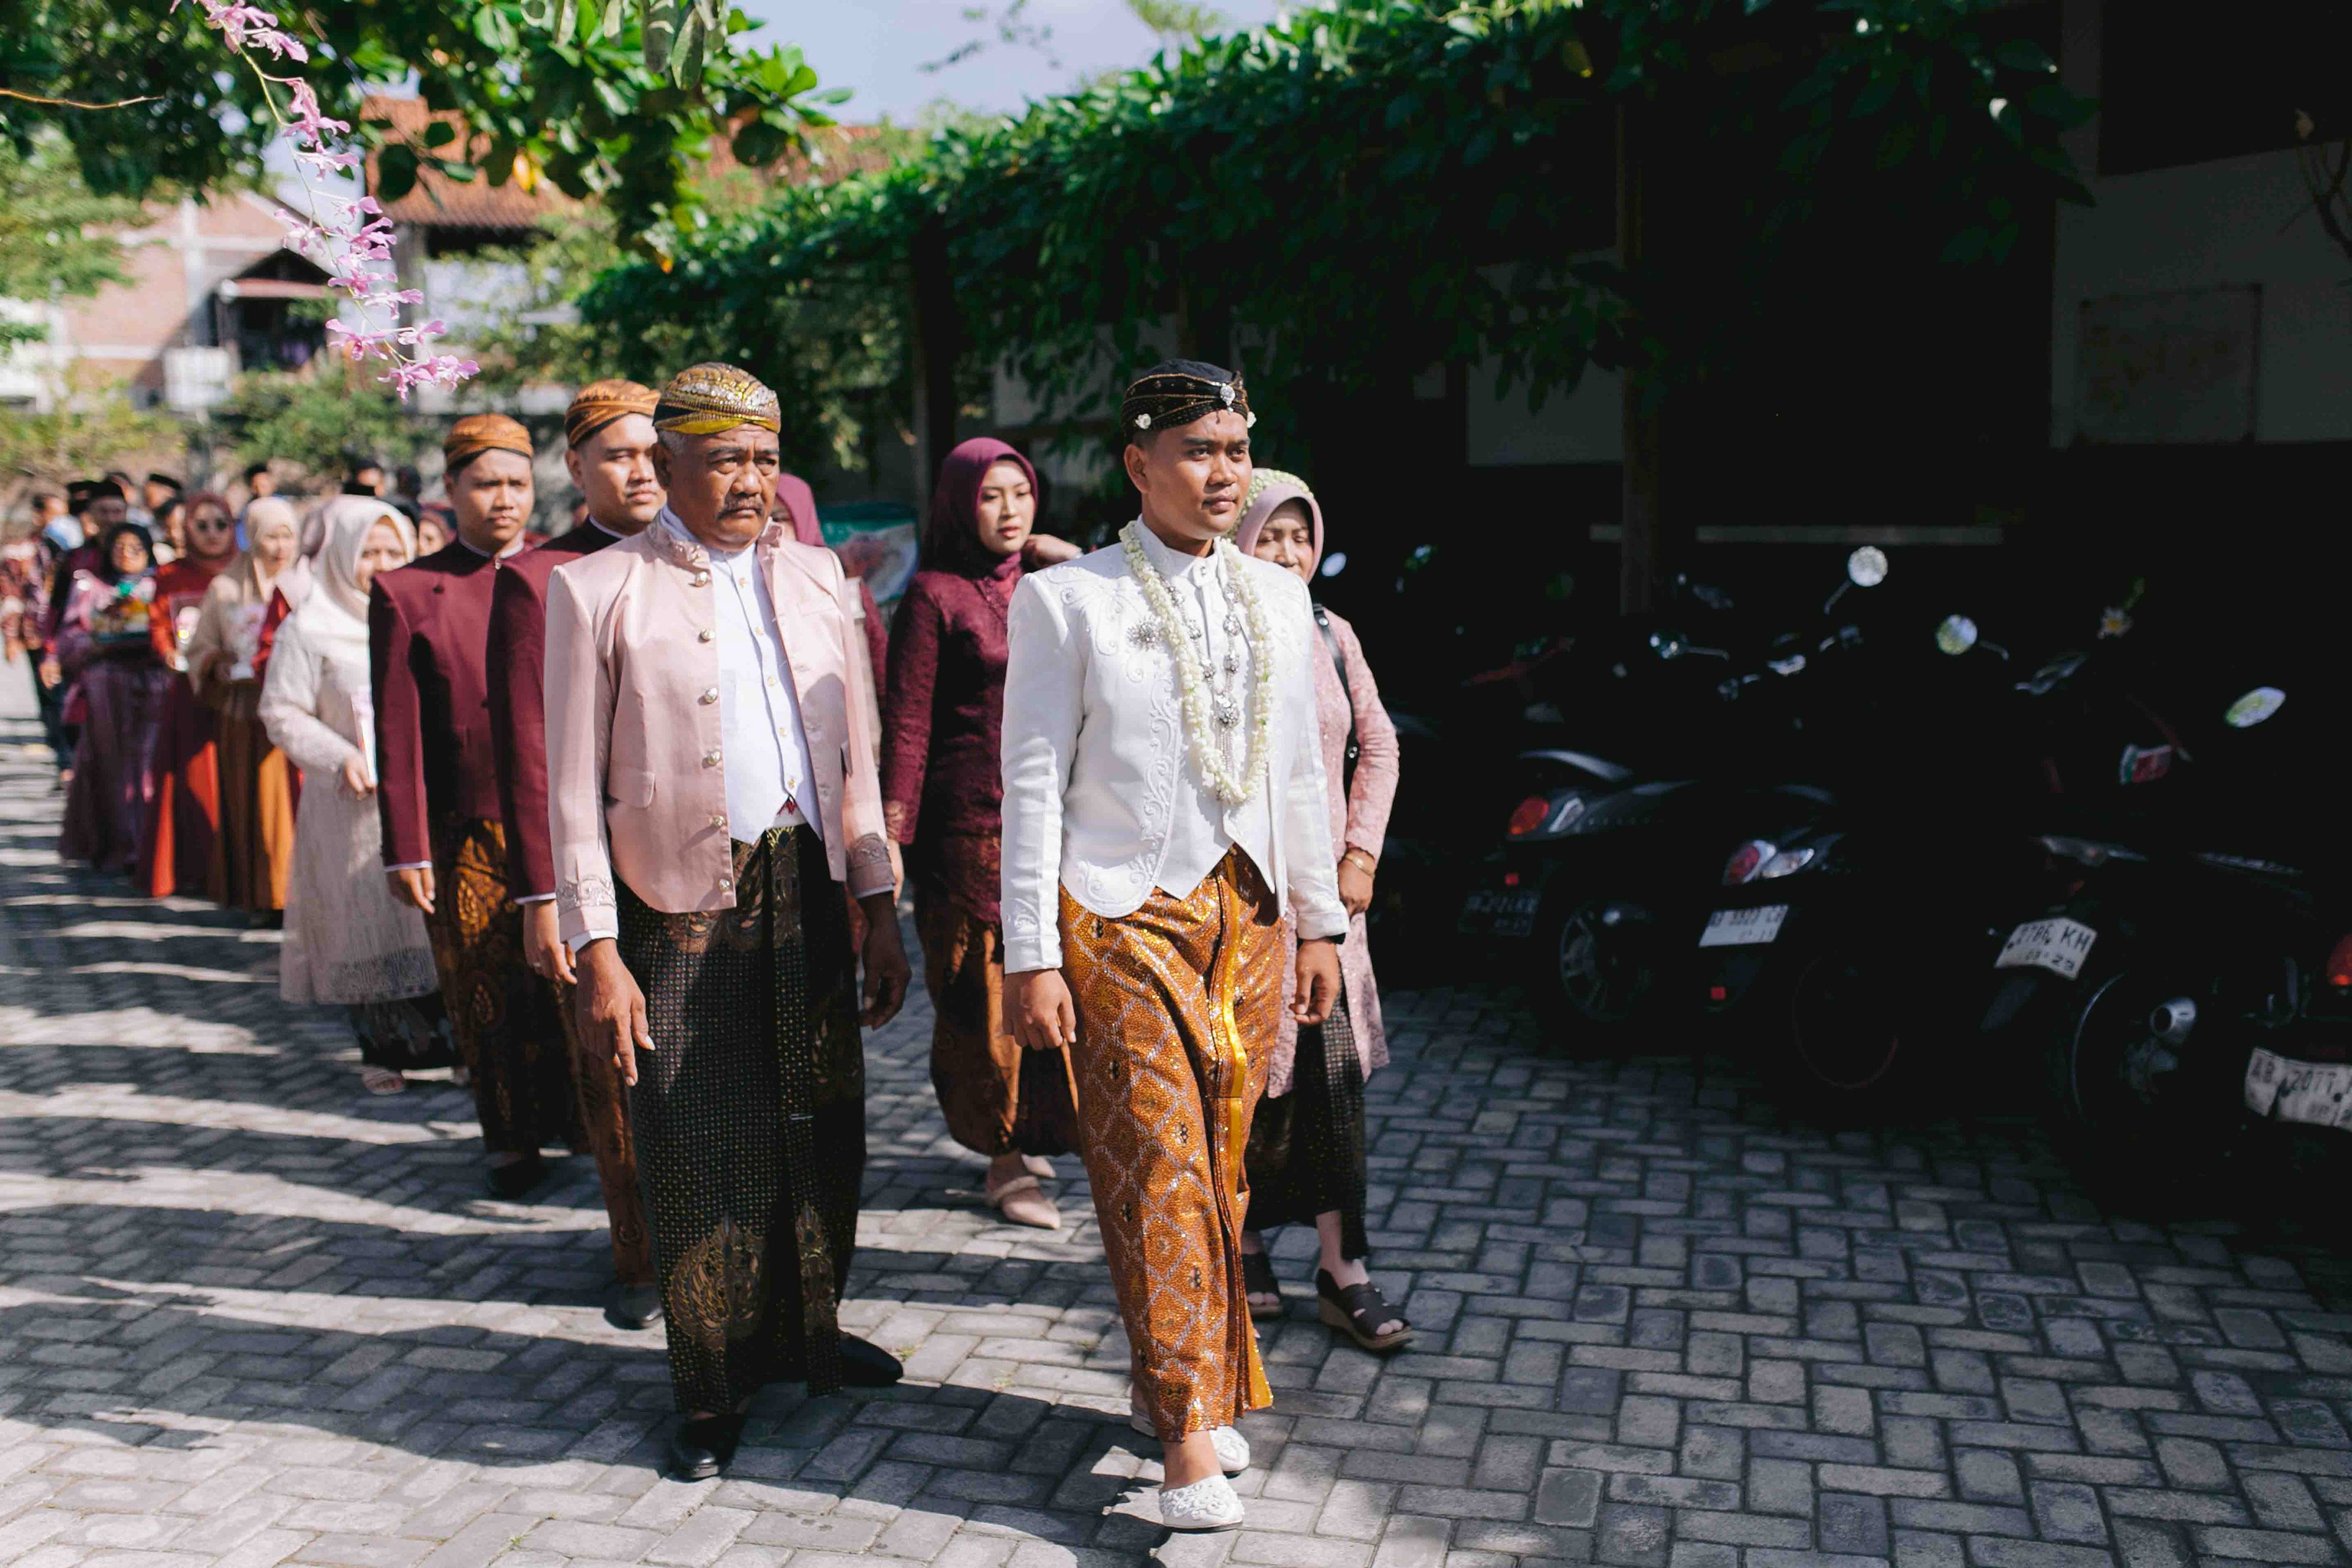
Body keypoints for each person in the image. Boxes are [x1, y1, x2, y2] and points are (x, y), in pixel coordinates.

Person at [546, 363, 912, 1480]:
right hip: (672, 902)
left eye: (765, 458)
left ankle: (809, 1330)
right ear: (667, 464)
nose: (750, 480)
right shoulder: (596, 589)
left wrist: (879, 903)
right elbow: (570, 792)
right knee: (698, 1140)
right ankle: (709, 1385)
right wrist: (597, 948)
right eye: (724, 460)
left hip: (806, 883)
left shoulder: (819, 575)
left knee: (821, 1121)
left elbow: (856, 757)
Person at [1000, 361, 1347, 1532]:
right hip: (1117, 914)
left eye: (1237, 450)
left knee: (1224, 1170)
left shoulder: (1281, 599)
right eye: (1199, 450)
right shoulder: (1069, 601)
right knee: (1157, 1164)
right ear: (1138, 464)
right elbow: (1031, 782)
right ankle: (1187, 1436)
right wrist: (1029, 953)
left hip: (1250, 916)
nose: (1224, 472)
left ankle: (1205, 1381)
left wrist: (1320, 923)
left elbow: (1300, 777)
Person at [486, 380, 666, 1331]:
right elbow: (529, 749)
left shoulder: (700, 561)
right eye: (617, 456)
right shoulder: (539, 577)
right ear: (576, 467)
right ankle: (639, 1255)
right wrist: (542, 894)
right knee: (614, 1064)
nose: (641, 471)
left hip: (691, 859)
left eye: (652, 452)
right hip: (592, 866)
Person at [374, 413, 577, 1196]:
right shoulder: (406, 592)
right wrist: (406, 846)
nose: (504, 499)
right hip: (468, 829)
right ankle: (509, 1136)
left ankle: (580, 1120)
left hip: (561, 818)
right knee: (487, 989)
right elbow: (397, 732)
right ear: (451, 488)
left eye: (518, 484)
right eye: (486, 484)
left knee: (569, 978)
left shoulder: (567, 572)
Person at [1233, 471, 1410, 1354]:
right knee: (1247, 1085)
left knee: (1333, 1082)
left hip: (1334, 908)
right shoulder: (1219, 633)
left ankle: (1345, 1269)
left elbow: (1379, 744)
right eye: (1269, 535)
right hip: (1246, 908)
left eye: (1300, 535)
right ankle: (1242, 1243)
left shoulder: (1333, 632)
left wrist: (1361, 854)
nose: (1287, 552)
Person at [884, 439, 1080, 1229]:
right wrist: (892, 840)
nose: (1009, 511)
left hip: (1054, 821)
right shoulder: (933, 595)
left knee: (1051, 979)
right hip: (966, 833)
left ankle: (1037, 1129)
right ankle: (1002, 1157)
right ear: (961, 504)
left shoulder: (1051, 584)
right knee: (982, 994)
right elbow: (908, 724)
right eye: (990, 496)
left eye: (1020, 494)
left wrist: (1075, 559)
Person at [260, 499, 457, 1093]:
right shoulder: (309, 627)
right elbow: (281, 711)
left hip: (424, 798)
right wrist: (338, 756)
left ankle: (449, 1046)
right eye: (368, 552)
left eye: (394, 551)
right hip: (352, 805)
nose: (382, 564)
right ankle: (382, 1050)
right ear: (342, 555)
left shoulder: (428, 615)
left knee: (429, 922)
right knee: (368, 924)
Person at [187, 496, 310, 916]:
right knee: (253, 805)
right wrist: (219, 664)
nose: (281, 547)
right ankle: (262, 894)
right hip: (244, 711)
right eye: (271, 536)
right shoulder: (224, 588)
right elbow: (200, 647)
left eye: (288, 536)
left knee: (293, 807)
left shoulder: (307, 585)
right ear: (253, 538)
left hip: (301, 713)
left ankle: (298, 895)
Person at [56, 522, 172, 876]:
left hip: (153, 683)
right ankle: (115, 843)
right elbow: (70, 637)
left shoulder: (159, 587)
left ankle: (148, 844)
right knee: (109, 764)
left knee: (149, 762)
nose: (126, 554)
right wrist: (92, 644)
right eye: (119, 547)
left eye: (135, 547)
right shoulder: (90, 587)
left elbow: (175, 629)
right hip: (106, 686)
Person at [140, 491, 239, 899]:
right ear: (186, 530)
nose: (213, 534)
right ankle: (192, 865)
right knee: (192, 776)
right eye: (202, 526)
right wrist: (167, 651)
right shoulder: (171, 574)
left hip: (238, 687)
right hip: (189, 689)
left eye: (221, 524)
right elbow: (159, 624)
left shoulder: (245, 569)